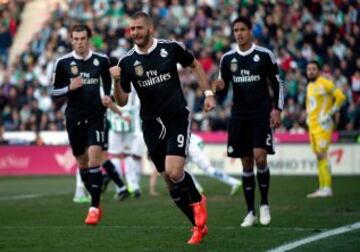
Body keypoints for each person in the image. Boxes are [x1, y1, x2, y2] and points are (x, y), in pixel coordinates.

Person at [109, 12, 216, 244]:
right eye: (132, 29)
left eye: (139, 28)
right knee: (168, 179)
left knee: (175, 171)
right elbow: (122, 101)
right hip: (150, 124)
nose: (135, 32)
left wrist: (207, 93)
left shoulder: (170, 48)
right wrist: (116, 81)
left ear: (150, 29)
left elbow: (195, 65)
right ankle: (198, 226)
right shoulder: (126, 62)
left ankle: (198, 201)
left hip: (176, 116)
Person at [216, 16, 283, 227]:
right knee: (246, 162)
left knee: (260, 157)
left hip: (260, 115)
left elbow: (277, 83)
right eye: (235, 30)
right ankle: (250, 212)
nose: (239, 33)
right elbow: (223, 89)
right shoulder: (227, 59)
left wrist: (277, 109)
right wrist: (217, 89)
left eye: (242, 29)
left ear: (250, 31)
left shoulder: (264, 55)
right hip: (239, 116)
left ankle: (264, 204)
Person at [51, 24, 112, 225]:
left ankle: (93, 208)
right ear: (71, 40)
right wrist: (69, 87)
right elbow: (54, 92)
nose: (80, 42)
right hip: (74, 118)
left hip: (96, 116)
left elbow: (107, 84)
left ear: (89, 39)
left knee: (95, 160)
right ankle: (96, 197)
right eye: (76, 39)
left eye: (83, 38)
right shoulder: (63, 62)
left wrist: (107, 96)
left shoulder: (101, 60)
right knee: (82, 164)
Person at [149, 133, 242, 196]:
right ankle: (197, 188)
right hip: (193, 146)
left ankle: (234, 182)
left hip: (192, 147)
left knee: (208, 169)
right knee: (183, 168)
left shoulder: (165, 136)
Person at [305, 60, 346, 198]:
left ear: (319, 70)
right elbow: (309, 104)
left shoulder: (325, 83)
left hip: (323, 125)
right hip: (313, 125)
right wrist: (307, 116)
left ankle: (327, 188)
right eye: (309, 69)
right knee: (318, 156)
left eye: (313, 69)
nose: (310, 71)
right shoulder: (310, 85)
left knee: (322, 154)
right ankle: (322, 187)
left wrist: (330, 113)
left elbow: (341, 96)